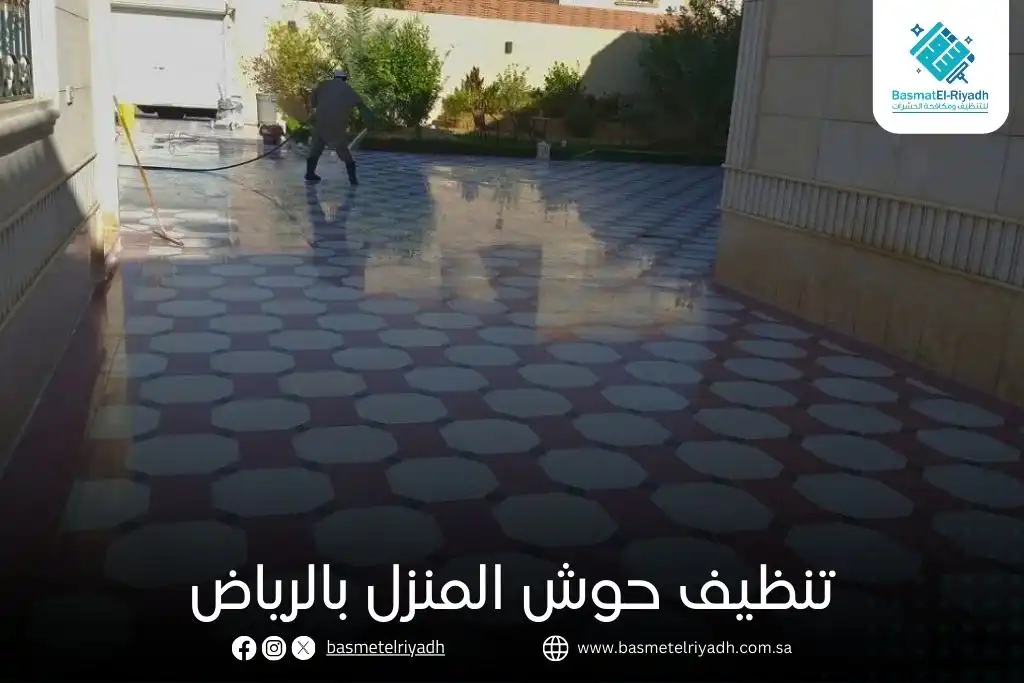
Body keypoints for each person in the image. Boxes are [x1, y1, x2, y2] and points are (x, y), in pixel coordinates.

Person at [306, 70, 372, 186]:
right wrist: (369, 119)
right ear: (345, 79)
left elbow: (313, 101)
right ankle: (353, 179)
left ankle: (310, 173)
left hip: (320, 120)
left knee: (316, 147)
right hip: (336, 124)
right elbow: (360, 104)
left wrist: (315, 111)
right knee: (342, 150)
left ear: (334, 77)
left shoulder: (323, 85)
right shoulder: (348, 89)